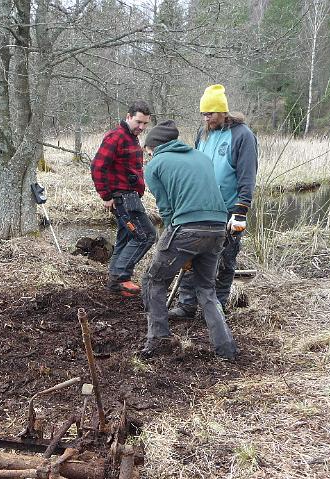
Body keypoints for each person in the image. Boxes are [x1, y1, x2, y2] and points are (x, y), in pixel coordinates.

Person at [138, 120, 238, 360]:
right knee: (206, 289)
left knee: (153, 280)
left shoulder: (155, 165)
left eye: (147, 150)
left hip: (187, 228)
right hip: (218, 228)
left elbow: (167, 211)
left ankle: (158, 340)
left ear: (154, 147)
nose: (147, 154)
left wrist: (175, 248)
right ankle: (226, 350)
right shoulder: (201, 157)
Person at [169, 84, 258, 319]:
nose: (206, 118)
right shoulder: (203, 134)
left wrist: (241, 210)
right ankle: (186, 305)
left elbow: (247, 176)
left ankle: (216, 307)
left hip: (228, 209)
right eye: (204, 114)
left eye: (210, 114)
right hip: (200, 206)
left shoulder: (242, 135)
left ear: (222, 111)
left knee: (225, 260)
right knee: (190, 256)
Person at [91, 100, 158, 297]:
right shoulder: (116, 137)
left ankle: (115, 283)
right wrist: (106, 195)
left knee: (126, 236)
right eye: (138, 122)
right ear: (128, 117)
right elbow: (97, 167)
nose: (142, 127)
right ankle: (121, 277)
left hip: (132, 196)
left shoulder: (132, 138)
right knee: (146, 235)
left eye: (145, 123)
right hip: (122, 199)